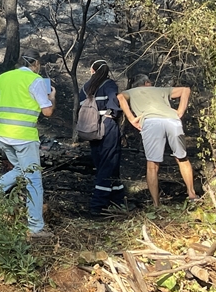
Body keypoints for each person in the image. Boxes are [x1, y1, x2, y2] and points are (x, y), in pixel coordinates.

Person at [0, 54, 56, 238]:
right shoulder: (35, 80)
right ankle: (36, 227)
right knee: (33, 179)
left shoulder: (5, 77)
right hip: (24, 137)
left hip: (3, 134)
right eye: (39, 65)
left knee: (21, 169)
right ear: (35, 64)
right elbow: (48, 111)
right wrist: (52, 97)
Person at [117, 73, 200, 207]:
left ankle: (156, 205)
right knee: (182, 158)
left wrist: (131, 119)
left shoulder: (130, 92)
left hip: (151, 122)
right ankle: (192, 194)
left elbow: (120, 97)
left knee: (152, 165)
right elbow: (186, 90)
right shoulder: (160, 89)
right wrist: (180, 111)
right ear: (147, 82)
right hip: (172, 120)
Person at [79, 60, 124, 215]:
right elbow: (115, 107)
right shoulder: (109, 85)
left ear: (92, 70)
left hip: (90, 128)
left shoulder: (85, 87)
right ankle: (97, 204)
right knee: (109, 162)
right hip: (107, 126)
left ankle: (118, 199)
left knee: (104, 163)